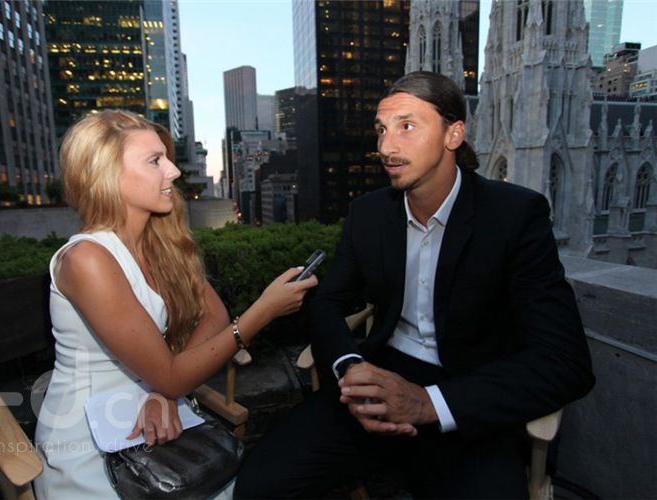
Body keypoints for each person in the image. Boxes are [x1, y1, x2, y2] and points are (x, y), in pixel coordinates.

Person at [234, 71, 595, 498]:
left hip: (469, 397)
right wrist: (350, 367)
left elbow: (566, 363)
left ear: (453, 134)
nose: (386, 147)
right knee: (258, 484)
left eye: (407, 126)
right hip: (379, 379)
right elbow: (327, 302)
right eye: (381, 130)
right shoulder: (369, 214)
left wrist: (429, 403)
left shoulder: (514, 216)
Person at [33, 110, 318, 499]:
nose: (174, 171)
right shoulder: (88, 260)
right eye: (154, 161)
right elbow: (172, 374)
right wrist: (263, 311)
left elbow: (213, 315)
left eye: (166, 157)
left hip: (153, 413)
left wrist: (163, 392)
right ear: (107, 174)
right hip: (91, 446)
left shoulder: (158, 243)